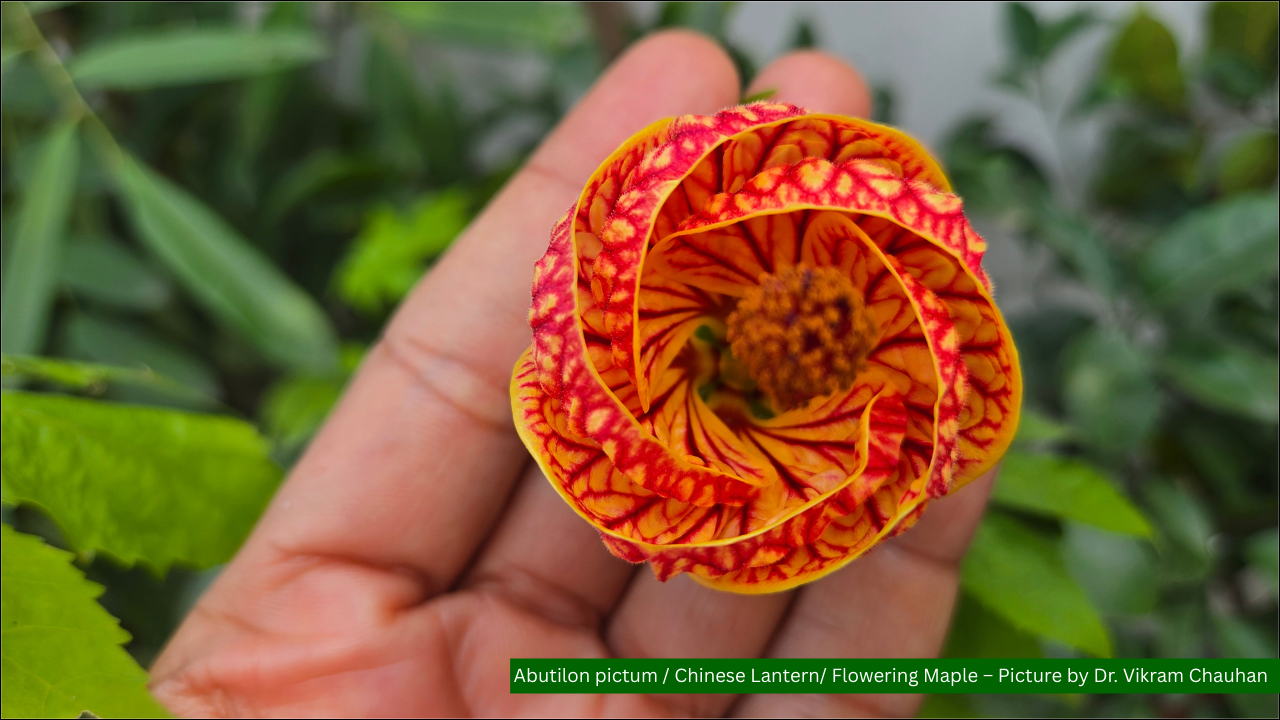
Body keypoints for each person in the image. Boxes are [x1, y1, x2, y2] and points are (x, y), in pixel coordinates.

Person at [149, 30, 998, 718]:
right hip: (679, 381)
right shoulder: (629, 299)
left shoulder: (893, 390)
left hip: (758, 445)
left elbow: (951, 406)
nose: (803, 336)